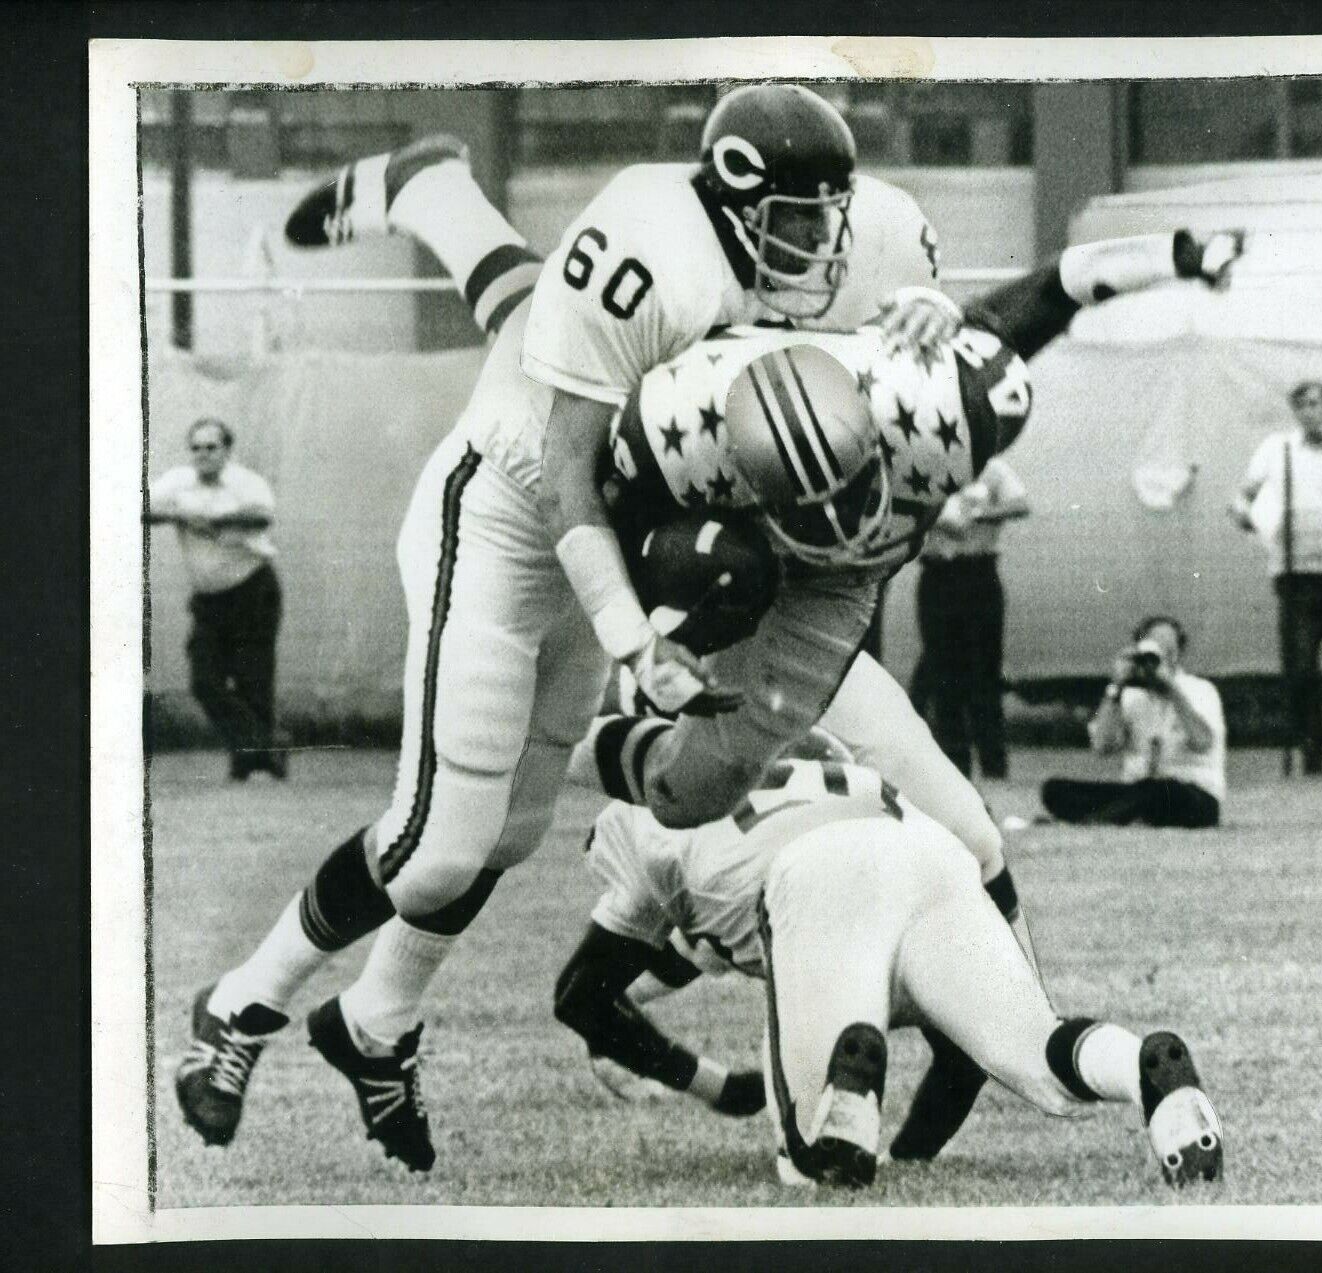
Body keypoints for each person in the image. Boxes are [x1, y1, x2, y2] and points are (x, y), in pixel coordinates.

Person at [177, 85, 945, 1172]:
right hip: (510, 512)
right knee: (433, 843)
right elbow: (571, 481)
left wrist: (934, 317)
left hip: (626, 530)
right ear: (731, 202)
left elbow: (908, 344)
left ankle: (372, 1027)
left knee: (509, 833)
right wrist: (635, 637)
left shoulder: (864, 234)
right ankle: (241, 1006)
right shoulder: (648, 250)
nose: (819, 248)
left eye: (829, 220)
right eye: (795, 222)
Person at [555, 747, 1224, 1190]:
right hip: (927, 850)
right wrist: (912, 1160)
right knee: (1039, 1053)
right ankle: (1146, 1071)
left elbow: (581, 993)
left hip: (815, 878)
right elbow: (961, 1061)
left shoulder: (641, 815)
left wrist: (715, 1086)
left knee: (807, 1160)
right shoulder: (817, 739)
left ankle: (843, 1101)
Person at [1228, 380, 1322, 776]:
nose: (1309, 411)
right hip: (1295, 577)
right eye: (1302, 405)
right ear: (1294, 411)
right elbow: (1244, 496)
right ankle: (1310, 751)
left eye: (1316, 404)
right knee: (1300, 670)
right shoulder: (1276, 450)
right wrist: (1245, 514)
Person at [146, 417, 287, 781]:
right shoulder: (178, 482)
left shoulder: (245, 482)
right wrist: (179, 512)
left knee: (252, 679)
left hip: (252, 590)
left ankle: (247, 761)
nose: (203, 455)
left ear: (227, 450)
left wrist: (215, 518)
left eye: (211, 448)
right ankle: (268, 747)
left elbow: (262, 515)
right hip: (209, 600)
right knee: (204, 682)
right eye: (196, 448)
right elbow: (142, 507)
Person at [1041, 616, 1226, 829]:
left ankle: (1098, 818)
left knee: (1159, 791)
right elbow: (1102, 747)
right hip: (1137, 791)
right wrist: (1116, 687)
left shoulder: (1201, 690)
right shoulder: (1130, 696)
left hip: (1191, 793)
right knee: (1054, 789)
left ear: (1178, 654)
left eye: (1169, 651)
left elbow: (1203, 742)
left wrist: (1173, 692)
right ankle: (1121, 815)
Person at [910, 457, 1029, 780]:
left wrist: (977, 514)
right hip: (937, 573)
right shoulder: (918, 464)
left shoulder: (989, 468)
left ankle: (994, 765)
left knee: (984, 673)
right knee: (942, 675)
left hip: (978, 571)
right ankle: (954, 766)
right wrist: (934, 518)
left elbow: (1020, 504)